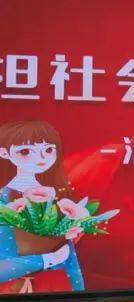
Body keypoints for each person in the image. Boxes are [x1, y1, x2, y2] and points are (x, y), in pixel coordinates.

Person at [0, 120, 85, 293]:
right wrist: (48, 259)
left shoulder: (58, 199)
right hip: (13, 290)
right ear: (4, 153)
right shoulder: (3, 201)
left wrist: (79, 294)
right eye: (25, 151)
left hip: (56, 288)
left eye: (48, 150)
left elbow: (69, 258)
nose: (41, 158)